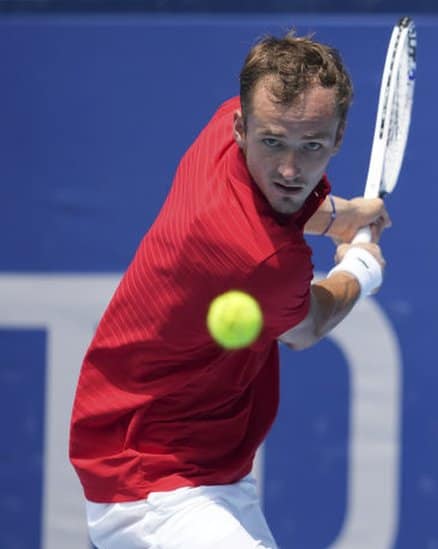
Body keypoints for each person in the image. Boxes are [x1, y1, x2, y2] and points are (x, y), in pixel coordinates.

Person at [68, 32, 389, 548]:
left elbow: (277, 200)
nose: (290, 169)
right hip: (150, 480)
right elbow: (307, 327)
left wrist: (343, 216)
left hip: (211, 471)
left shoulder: (223, 127)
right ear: (243, 127)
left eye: (311, 146)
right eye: (273, 142)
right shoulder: (262, 263)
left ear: (338, 138)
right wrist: (361, 268)